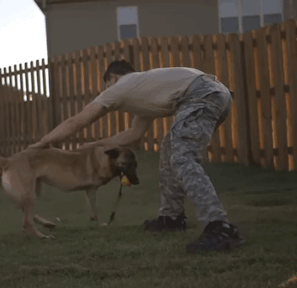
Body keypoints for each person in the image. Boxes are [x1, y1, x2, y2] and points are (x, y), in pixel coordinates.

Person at [28, 60, 244, 253]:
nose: (106, 91)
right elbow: (133, 135)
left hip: (202, 96)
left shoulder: (120, 86)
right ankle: (172, 218)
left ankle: (219, 226)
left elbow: (76, 122)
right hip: (214, 95)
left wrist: (41, 143)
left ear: (111, 78)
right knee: (171, 149)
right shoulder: (144, 91)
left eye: (106, 85)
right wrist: (95, 144)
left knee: (183, 157)